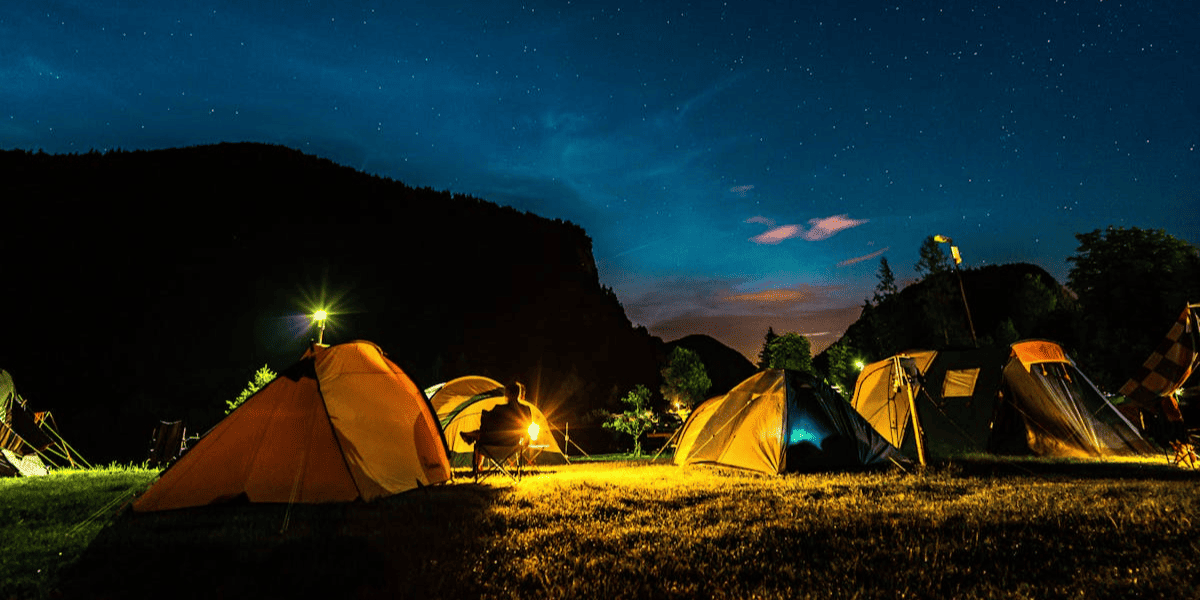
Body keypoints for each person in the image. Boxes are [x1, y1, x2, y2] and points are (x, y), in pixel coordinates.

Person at [467, 381, 533, 476]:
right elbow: (527, 428)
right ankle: (474, 435)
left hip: (492, 445)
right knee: (483, 435)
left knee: (479, 443)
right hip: (513, 446)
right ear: (518, 393)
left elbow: (486, 426)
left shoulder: (498, 409)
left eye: (506, 393)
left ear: (509, 393)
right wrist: (526, 442)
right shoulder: (526, 409)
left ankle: (478, 469)